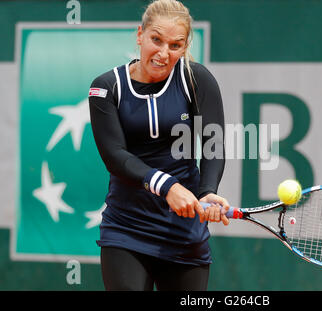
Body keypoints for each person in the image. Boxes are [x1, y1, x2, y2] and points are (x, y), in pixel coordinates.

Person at [88, 0, 229, 291]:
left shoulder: (196, 79)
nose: (164, 53)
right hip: (127, 229)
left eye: (176, 45)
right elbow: (115, 156)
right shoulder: (106, 87)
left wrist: (208, 192)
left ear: (185, 46)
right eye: (156, 40)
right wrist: (168, 186)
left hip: (184, 234)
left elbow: (212, 144)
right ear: (140, 35)